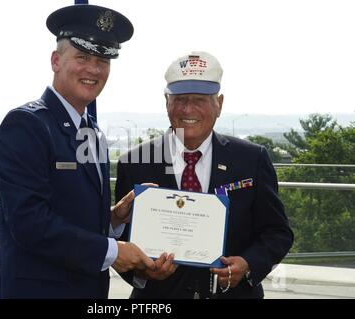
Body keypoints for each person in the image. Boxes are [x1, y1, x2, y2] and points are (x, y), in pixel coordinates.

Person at [0, 4, 155, 299]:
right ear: (56, 60)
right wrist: (114, 251)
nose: (93, 69)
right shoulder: (26, 124)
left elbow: (73, 215)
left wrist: (115, 218)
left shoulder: (92, 131)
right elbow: (30, 223)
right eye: (82, 57)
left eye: (103, 60)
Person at [115, 51, 294, 299]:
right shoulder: (134, 162)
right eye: (179, 99)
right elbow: (119, 242)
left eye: (199, 99)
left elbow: (277, 232)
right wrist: (143, 273)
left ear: (219, 104)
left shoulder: (252, 159)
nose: (188, 108)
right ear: (167, 102)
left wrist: (248, 264)